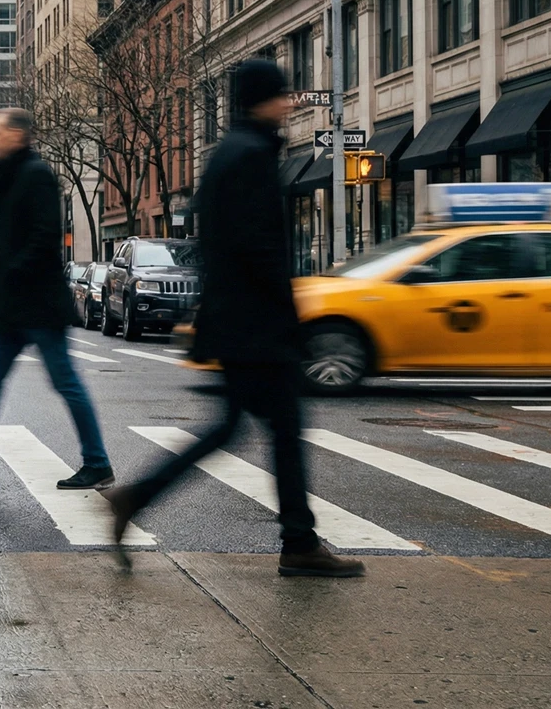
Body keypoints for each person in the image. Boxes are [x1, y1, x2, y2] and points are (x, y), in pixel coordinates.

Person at [102, 59, 365, 578]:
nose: (290, 103)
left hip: (241, 323)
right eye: (281, 95)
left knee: (237, 429)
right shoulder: (250, 156)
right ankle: (299, 542)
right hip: (256, 327)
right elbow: (258, 251)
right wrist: (285, 323)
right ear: (261, 100)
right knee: (280, 430)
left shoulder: (232, 154)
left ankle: (137, 499)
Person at [0, 108, 115, 490]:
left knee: (66, 382)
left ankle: (97, 462)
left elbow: (44, 238)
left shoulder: (36, 175)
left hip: (39, 304)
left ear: (17, 135)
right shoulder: (8, 175)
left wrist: (11, 272)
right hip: (15, 306)